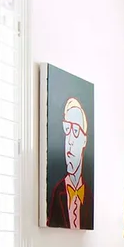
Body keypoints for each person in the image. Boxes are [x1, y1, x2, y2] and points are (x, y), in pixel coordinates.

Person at [47, 97, 92, 229]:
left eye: (76, 131)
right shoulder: (57, 193)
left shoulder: (90, 197)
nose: (70, 140)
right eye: (67, 129)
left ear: (84, 140)